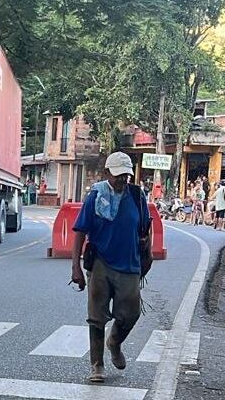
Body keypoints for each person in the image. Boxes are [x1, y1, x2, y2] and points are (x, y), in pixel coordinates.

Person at [70, 151, 152, 384]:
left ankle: (114, 342)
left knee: (131, 314)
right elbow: (80, 232)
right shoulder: (96, 196)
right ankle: (97, 365)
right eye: (118, 175)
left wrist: (148, 255)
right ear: (107, 173)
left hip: (129, 263)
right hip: (101, 263)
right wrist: (76, 267)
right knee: (96, 317)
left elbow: (145, 229)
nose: (122, 180)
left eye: (126, 175)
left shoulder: (136, 196)